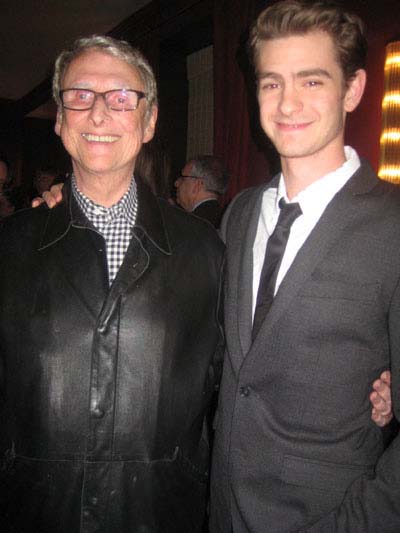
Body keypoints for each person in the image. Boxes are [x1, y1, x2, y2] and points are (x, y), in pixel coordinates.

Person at [0, 35, 224, 533]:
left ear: (149, 122)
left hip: (160, 514)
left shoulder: (206, 251)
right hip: (31, 511)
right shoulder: (9, 246)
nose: (98, 114)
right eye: (80, 95)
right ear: (59, 119)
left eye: (122, 97)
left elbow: (236, 381)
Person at [210, 1, 400, 532]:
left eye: (311, 81)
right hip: (223, 511)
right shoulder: (241, 214)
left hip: (331, 515)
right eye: (271, 83)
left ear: (354, 89)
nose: (287, 102)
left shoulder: (394, 225)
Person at [174, 155, 228, 228]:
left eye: (182, 178)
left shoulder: (188, 224)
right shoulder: (226, 220)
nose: (176, 183)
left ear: (197, 185)